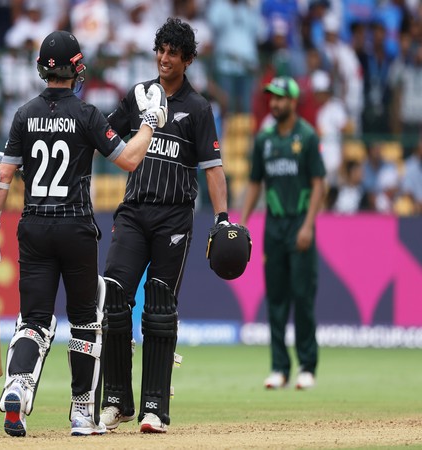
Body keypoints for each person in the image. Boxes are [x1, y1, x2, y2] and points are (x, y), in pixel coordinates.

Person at [0, 30, 166, 438]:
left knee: (34, 321)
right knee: (84, 322)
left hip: (34, 226)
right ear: (76, 68)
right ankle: (81, 413)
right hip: (75, 227)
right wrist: (148, 124)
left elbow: (3, 175)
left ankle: (18, 388)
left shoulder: (23, 114)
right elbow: (130, 160)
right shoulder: (88, 114)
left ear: (42, 68)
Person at [99, 18, 229, 433]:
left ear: (188, 59)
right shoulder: (137, 96)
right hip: (134, 211)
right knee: (115, 296)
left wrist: (223, 219)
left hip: (174, 216)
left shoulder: (199, 108)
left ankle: (155, 406)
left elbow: (213, 169)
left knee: (158, 307)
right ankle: (116, 401)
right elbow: (104, 137)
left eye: (174, 52)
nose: (165, 58)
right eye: (161, 50)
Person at [240, 76, 326, 390]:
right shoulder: (264, 141)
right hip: (273, 228)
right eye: (271, 98)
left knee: (302, 298)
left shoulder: (307, 136)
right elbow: (254, 183)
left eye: (280, 98)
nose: (274, 103)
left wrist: (308, 226)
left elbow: (319, 184)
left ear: (293, 101)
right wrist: (243, 220)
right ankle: (279, 368)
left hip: (300, 225)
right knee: (276, 299)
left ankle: (307, 367)